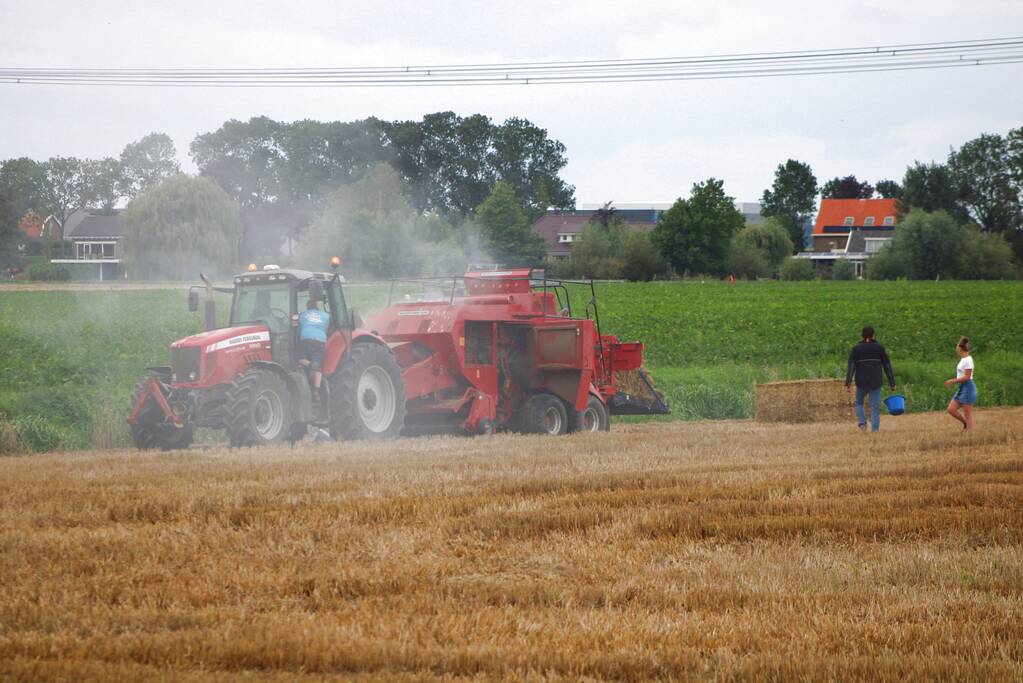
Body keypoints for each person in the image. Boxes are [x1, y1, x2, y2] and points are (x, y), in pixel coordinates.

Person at [845, 326, 896, 432]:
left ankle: (862, 423)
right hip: (876, 382)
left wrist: (848, 382)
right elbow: (887, 365)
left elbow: (851, 366)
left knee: (859, 402)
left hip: (861, 381)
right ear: (873, 335)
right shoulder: (879, 348)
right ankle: (875, 431)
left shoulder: (856, 349)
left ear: (862, 336)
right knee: (874, 408)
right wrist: (892, 383)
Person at [298, 297, 329, 403]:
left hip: (305, 339)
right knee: (318, 366)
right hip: (319, 340)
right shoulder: (325, 316)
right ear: (317, 307)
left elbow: (299, 328)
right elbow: (326, 328)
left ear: (307, 307)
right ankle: (316, 390)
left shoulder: (303, 315)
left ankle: (310, 365)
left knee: (300, 358)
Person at [944, 336, 976, 430]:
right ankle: (965, 424)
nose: (956, 348)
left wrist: (952, 381)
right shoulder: (963, 359)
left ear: (961, 348)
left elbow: (967, 377)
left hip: (968, 387)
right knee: (951, 409)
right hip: (962, 387)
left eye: (957, 346)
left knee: (967, 414)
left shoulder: (968, 360)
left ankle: (970, 436)